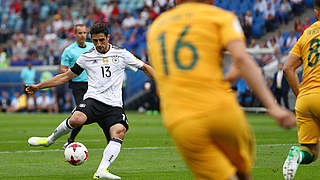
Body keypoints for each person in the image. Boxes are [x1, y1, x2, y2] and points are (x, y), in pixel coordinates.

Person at [147, 1, 296, 180]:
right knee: (243, 175)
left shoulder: (156, 28)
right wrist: (273, 107)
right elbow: (241, 59)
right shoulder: (220, 17)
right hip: (222, 110)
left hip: (181, 119)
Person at [26, 23, 155, 179]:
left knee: (119, 132)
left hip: (114, 106)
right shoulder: (87, 56)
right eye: (95, 41)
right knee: (76, 119)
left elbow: (145, 67)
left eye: (101, 40)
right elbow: (66, 76)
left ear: (108, 37)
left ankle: (101, 171)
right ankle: (49, 140)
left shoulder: (122, 54)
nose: (99, 44)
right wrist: (39, 86)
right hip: (94, 100)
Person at [283, 1, 320, 179]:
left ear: (316, 12)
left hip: (305, 99)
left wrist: (301, 95)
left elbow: (287, 68)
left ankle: (297, 154)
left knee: (311, 152)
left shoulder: (307, 33)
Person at [60, 24, 95, 149]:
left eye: (85, 33)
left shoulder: (92, 47)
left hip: (93, 84)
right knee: (82, 113)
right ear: (75, 34)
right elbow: (62, 69)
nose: (83, 35)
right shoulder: (69, 51)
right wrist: (71, 73)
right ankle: (70, 140)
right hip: (78, 85)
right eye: (80, 33)